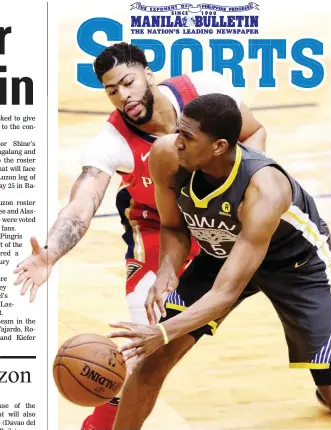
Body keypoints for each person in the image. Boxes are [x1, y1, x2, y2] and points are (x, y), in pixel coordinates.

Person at [13, 43, 266, 430]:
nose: (123, 96)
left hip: (218, 219)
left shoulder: (205, 90)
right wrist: (51, 253)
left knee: (299, 285)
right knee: (140, 334)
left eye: (128, 82)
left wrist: (245, 189)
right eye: (112, 90)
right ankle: (103, 422)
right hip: (158, 229)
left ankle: (328, 376)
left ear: (148, 73)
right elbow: (83, 201)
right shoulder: (111, 140)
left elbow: (255, 131)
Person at [108, 93, 331, 429]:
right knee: (152, 362)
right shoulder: (165, 155)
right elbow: (173, 226)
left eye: (188, 137)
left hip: (296, 265)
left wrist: (161, 331)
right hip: (222, 253)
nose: (177, 143)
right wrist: (166, 271)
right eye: (179, 131)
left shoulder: (264, 190)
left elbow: (224, 295)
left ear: (218, 146)